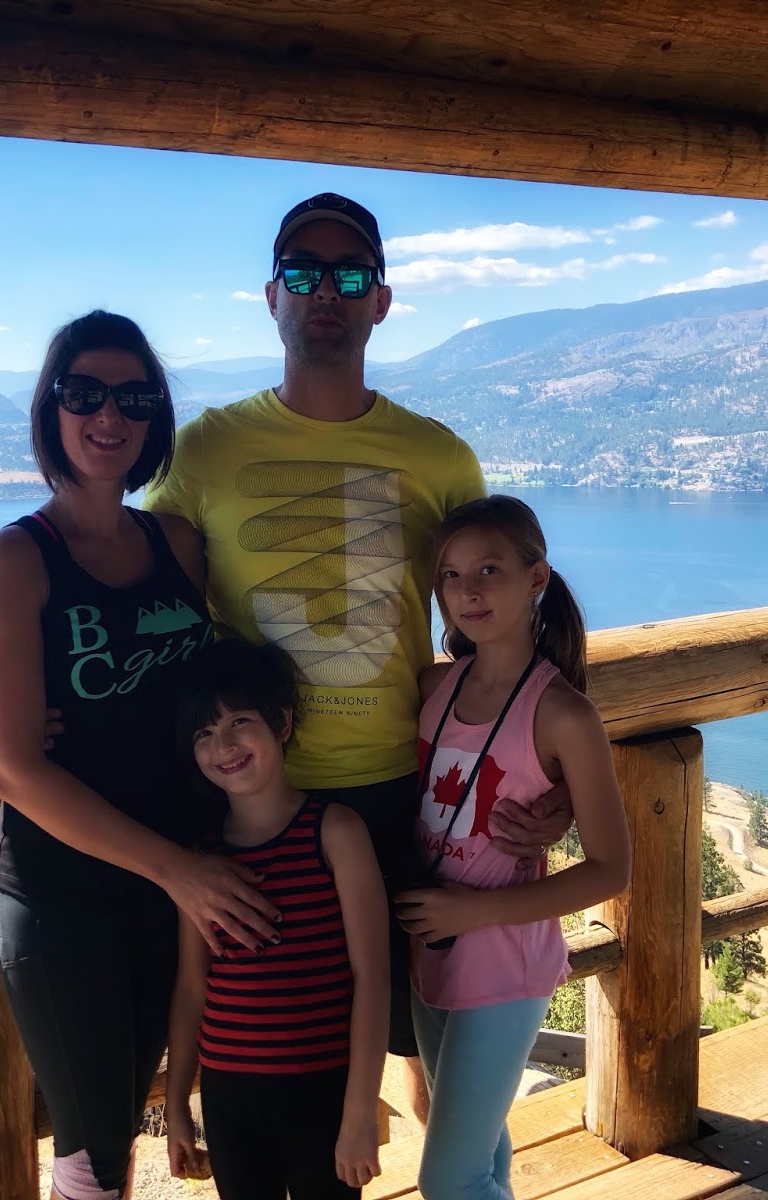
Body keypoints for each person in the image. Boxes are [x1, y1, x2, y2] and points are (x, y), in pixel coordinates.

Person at [144, 194, 574, 1105]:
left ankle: (449, 1167)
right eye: (303, 272)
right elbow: (141, 608)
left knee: (421, 1045)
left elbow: (499, 630)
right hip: (255, 802)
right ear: (271, 295)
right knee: (280, 1052)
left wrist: (561, 778)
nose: (325, 292)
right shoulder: (203, 451)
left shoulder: (440, 458)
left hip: (403, 792)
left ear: (381, 300)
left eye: (349, 275)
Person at [0, 311, 281, 1200]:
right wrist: (179, 872)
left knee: (129, 1112)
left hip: (175, 884)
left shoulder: (175, 544)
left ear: (155, 419)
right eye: (85, 394)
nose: (109, 415)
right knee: (93, 1137)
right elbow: (9, 768)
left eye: (134, 399)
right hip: (66, 894)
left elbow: (217, 682)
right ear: (52, 409)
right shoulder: (14, 558)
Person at [393, 495, 632, 1200]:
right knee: (483, 1149)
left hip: (503, 965)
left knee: (449, 1180)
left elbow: (611, 870)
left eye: (489, 570)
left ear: (536, 578)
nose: (468, 590)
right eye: (451, 575)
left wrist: (472, 913)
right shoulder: (435, 685)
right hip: (430, 951)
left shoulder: (563, 714)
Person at [165, 637, 390, 1200]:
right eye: (203, 733)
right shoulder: (199, 860)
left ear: (282, 723)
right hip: (228, 1094)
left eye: (239, 721)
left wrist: (360, 1112)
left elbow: (373, 978)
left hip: (324, 1088)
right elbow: (192, 986)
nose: (223, 745)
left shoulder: (335, 831)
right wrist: (176, 1103)